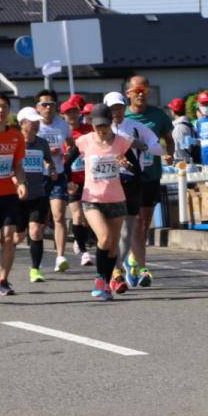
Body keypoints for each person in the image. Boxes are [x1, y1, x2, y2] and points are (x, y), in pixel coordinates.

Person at [72, 104, 136, 301]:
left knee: (112, 247)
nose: (101, 130)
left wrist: (126, 165)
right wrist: (69, 181)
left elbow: (135, 170)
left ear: (111, 123)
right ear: (91, 124)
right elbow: (68, 163)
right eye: (98, 126)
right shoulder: (83, 141)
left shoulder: (122, 143)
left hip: (116, 199)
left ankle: (107, 284)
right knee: (105, 237)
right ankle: (100, 279)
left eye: (105, 125)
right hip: (92, 200)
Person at [102, 92, 163, 294]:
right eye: (112, 109)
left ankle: (129, 265)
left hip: (133, 181)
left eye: (119, 107)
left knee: (131, 228)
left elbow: (155, 145)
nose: (116, 112)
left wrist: (153, 149)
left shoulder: (135, 127)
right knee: (112, 230)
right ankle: (115, 272)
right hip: (108, 184)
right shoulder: (100, 130)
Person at [123, 75, 174, 287]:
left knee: (144, 222)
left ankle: (134, 258)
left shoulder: (158, 115)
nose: (141, 93)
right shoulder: (122, 115)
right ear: (129, 94)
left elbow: (169, 140)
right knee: (134, 222)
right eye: (136, 90)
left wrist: (169, 153)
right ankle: (133, 261)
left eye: (144, 89)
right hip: (129, 176)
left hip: (152, 174)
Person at [0, 92, 27, 297]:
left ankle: (3, 280)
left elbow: (17, 165)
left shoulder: (16, 136)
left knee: (9, 238)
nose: (0, 110)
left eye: (4, 107)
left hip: (8, 194)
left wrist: (21, 182)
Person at [15, 107, 57, 284]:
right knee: (18, 237)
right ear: (22, 123)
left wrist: (51, 168)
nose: (36, 124)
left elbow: (48, 159)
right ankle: (6, 256)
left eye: (37, 121)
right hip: (17, 198)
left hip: (38, 194)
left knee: (36, 232)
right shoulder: (15, 143)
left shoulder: (41, 143)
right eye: (32, 121)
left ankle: (35, 270)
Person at [35, 88, 72, 273]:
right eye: (44, 104)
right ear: (37, 107)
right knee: (40, 220)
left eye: (51, 104)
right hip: (38, 176)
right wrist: (46, 154)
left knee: (58, 215)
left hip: (57, 174)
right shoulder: (34, 125)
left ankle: (60, 256)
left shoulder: (62, 125)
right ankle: (38, 256)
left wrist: (65, 155)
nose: (48, 108)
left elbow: (73, 145)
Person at [60, 96, 94, 266]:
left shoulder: (88, 129)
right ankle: (84, 252)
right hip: (72, 179)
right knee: (77, 214)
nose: (71, 115)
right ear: (63, 116)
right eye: (68, 113)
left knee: (88, 216)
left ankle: (80, 239)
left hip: (90, 178)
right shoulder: (62, 133)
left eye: (74, 111)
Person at [169, 97, 196, 166]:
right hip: (189, 160)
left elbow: (179, 149)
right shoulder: (189, 125)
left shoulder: (179, 127)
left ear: (173, 111)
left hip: (182, 163)